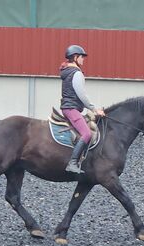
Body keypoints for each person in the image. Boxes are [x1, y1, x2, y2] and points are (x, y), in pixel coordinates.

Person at [59, 44, 105, 174]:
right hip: (71, 108)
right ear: (75, 57)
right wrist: (95, 109)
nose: (83, 60)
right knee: (87, 134)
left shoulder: (67, 72)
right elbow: (82, 95)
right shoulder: (76, 73)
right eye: (81, 57)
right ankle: (72, 163)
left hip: (68, 107)